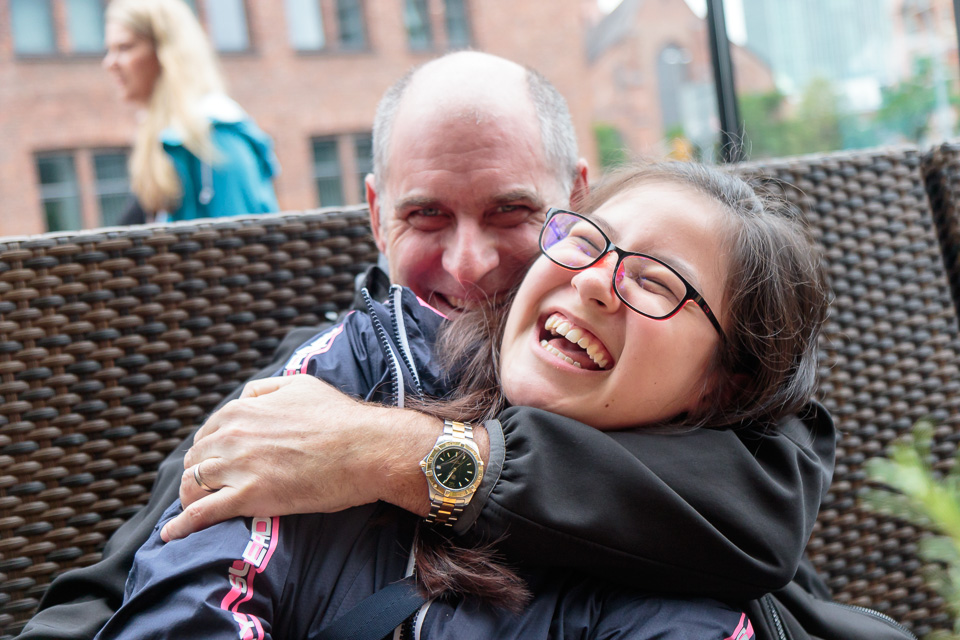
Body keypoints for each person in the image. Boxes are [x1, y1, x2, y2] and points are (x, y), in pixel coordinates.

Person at [18, 52, 834, 640]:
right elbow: (143, 578)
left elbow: (761, 514)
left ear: (575, 198)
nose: (469, 265)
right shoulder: (329, 375)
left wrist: (394, 453)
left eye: (511, 212)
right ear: (376, 216)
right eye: (425, 216)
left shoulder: (721, 417)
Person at [102, 0, 279, 224]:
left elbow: (244, 237)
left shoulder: (216, 137)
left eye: (125, 48)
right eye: (109, 50)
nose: (109, 63)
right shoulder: (161, 136)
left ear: (165, 52)